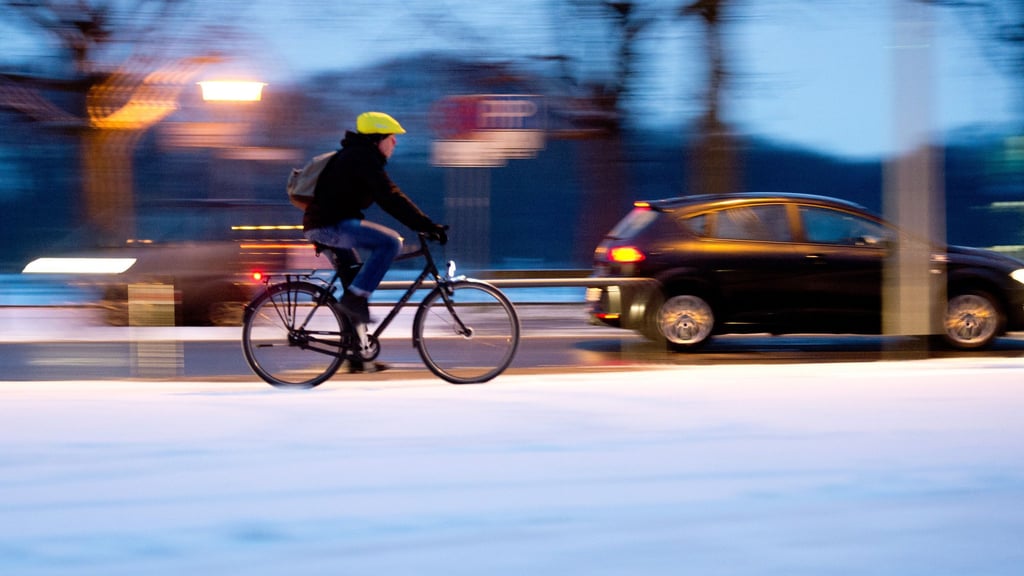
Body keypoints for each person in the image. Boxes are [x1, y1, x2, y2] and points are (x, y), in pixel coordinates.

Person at [303, 111, 447, 324]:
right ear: (377, 138)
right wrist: (426, 225)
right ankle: (354, 301)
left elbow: (389, 197)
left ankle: (356, 351)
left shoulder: (355, 155)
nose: (395, 142)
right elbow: (390, 197)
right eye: (391, 136)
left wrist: (422, 224)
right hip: (330, 227)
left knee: (354, 285)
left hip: (325, 225)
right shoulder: (363, 158)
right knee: (390, 243)